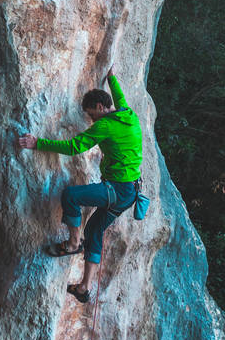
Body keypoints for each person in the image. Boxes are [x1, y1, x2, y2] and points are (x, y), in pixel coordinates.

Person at [18, 68, 142, 302]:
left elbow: (74, 147)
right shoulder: (128, 113)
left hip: (117, 190)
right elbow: (119, 95)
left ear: (99, 107)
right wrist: (112, 78)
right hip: (130, 192)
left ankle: (73, 243)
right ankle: (84, 288)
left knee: (71, 196)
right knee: (95, 230)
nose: (91, 119)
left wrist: (38, 144)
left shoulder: (104, 126)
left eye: (91, 114)